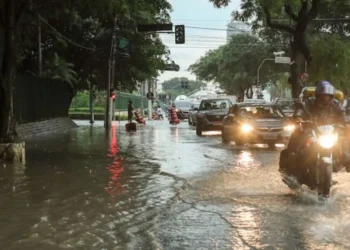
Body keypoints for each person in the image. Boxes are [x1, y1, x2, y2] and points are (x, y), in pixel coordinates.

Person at [281, 80, 350, 172]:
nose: (325, 98)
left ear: (331, 96)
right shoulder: (309, 102)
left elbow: (342, 114)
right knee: (296, 139)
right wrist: (299, 119)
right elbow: (301, 110)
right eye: (322, 95)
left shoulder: (336, 104)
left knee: (344, 144)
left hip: (329, 132)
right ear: (317, 95)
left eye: (327, 95)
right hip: (311, 130)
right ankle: (289, 168)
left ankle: (345, 163)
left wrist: (345, 122)